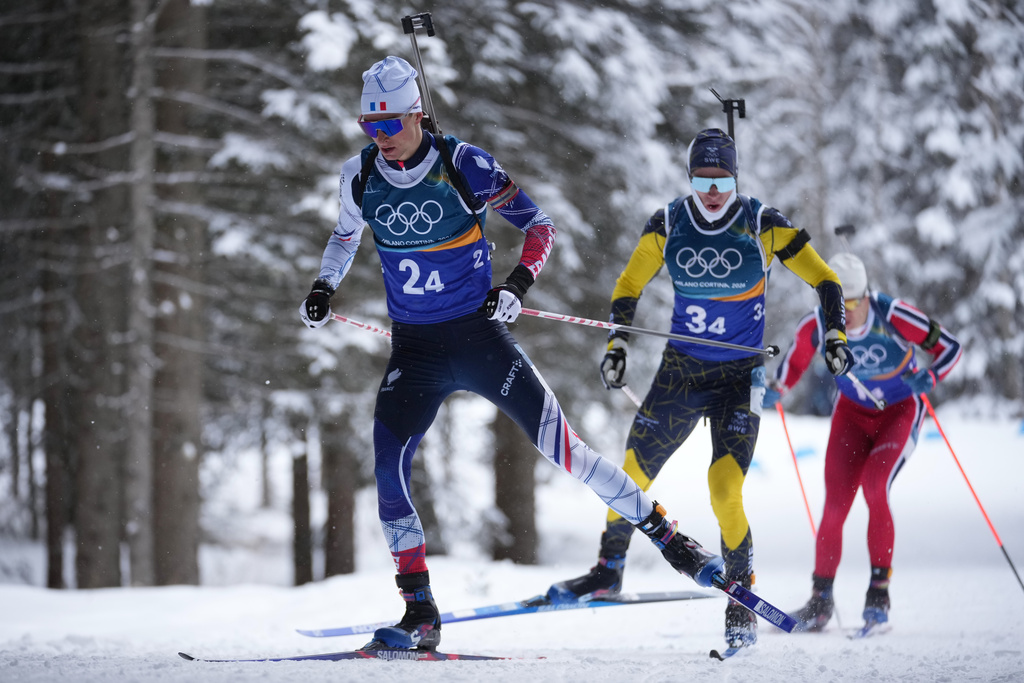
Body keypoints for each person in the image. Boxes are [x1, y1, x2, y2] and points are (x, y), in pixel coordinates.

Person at [300, 56, 725, 652]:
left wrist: (517, 286)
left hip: (479, 341)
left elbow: (539, 226)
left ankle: (672, 541)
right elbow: (344, 237)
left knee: (566, 451)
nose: (381, 137)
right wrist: (323, 287)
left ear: (416, 114)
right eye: (370, 126)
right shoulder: (359, 175)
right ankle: (419, 612)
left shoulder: (463, 164)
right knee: (388, 471)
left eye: (390, 124)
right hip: (414, 351)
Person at [546, 128, 853, 652]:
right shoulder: (668, 223)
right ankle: (608, 569)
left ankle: (740, 599)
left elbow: (826, 279)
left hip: (739, 377)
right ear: (689, 178)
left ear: (736, 179)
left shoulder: (762, 223)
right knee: (631, 471)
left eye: (722, 180)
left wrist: (836, 335)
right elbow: (629, 284)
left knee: (724, 489)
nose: (712, 191)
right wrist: (617, 344)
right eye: (702, 180)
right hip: (681, 372)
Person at [764, 253, 962, 632]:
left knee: (875, 486)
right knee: (835, 504)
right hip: (852, 415)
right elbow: (794, 364)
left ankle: (878, 595)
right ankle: (820, 601)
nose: (847, 313)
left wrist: (932, 376)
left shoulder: (894, 314)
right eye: (838, 304)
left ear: (866, 295)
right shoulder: (818, 323)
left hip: (899, 411)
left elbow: (950, 347)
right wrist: (776, 388)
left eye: (854, 302)